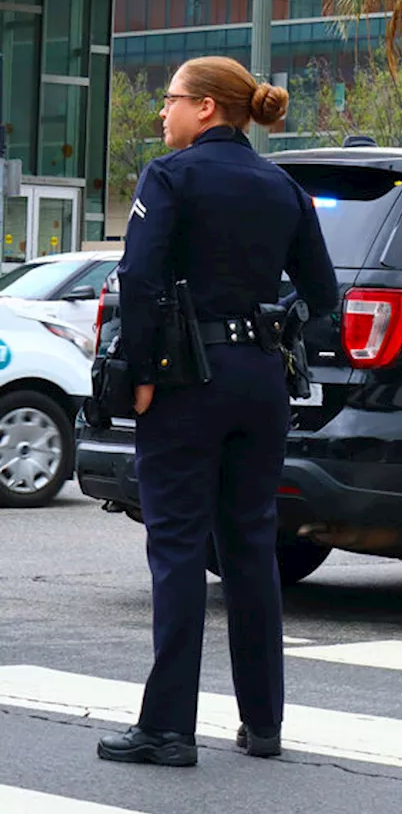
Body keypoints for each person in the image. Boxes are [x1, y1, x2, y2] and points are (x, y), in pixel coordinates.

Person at [97, 56, 338, 767]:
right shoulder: (281, 185)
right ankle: (263, 724)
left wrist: (139, 373)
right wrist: (276, 329)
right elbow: (323, 296)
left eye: (170, 100)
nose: (162, 113)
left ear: (206, 107)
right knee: (251, 548)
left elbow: (138, 277)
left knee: (176, 548)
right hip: (260, 382)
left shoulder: (170, 177)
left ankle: (168, 728)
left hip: (184, 380)